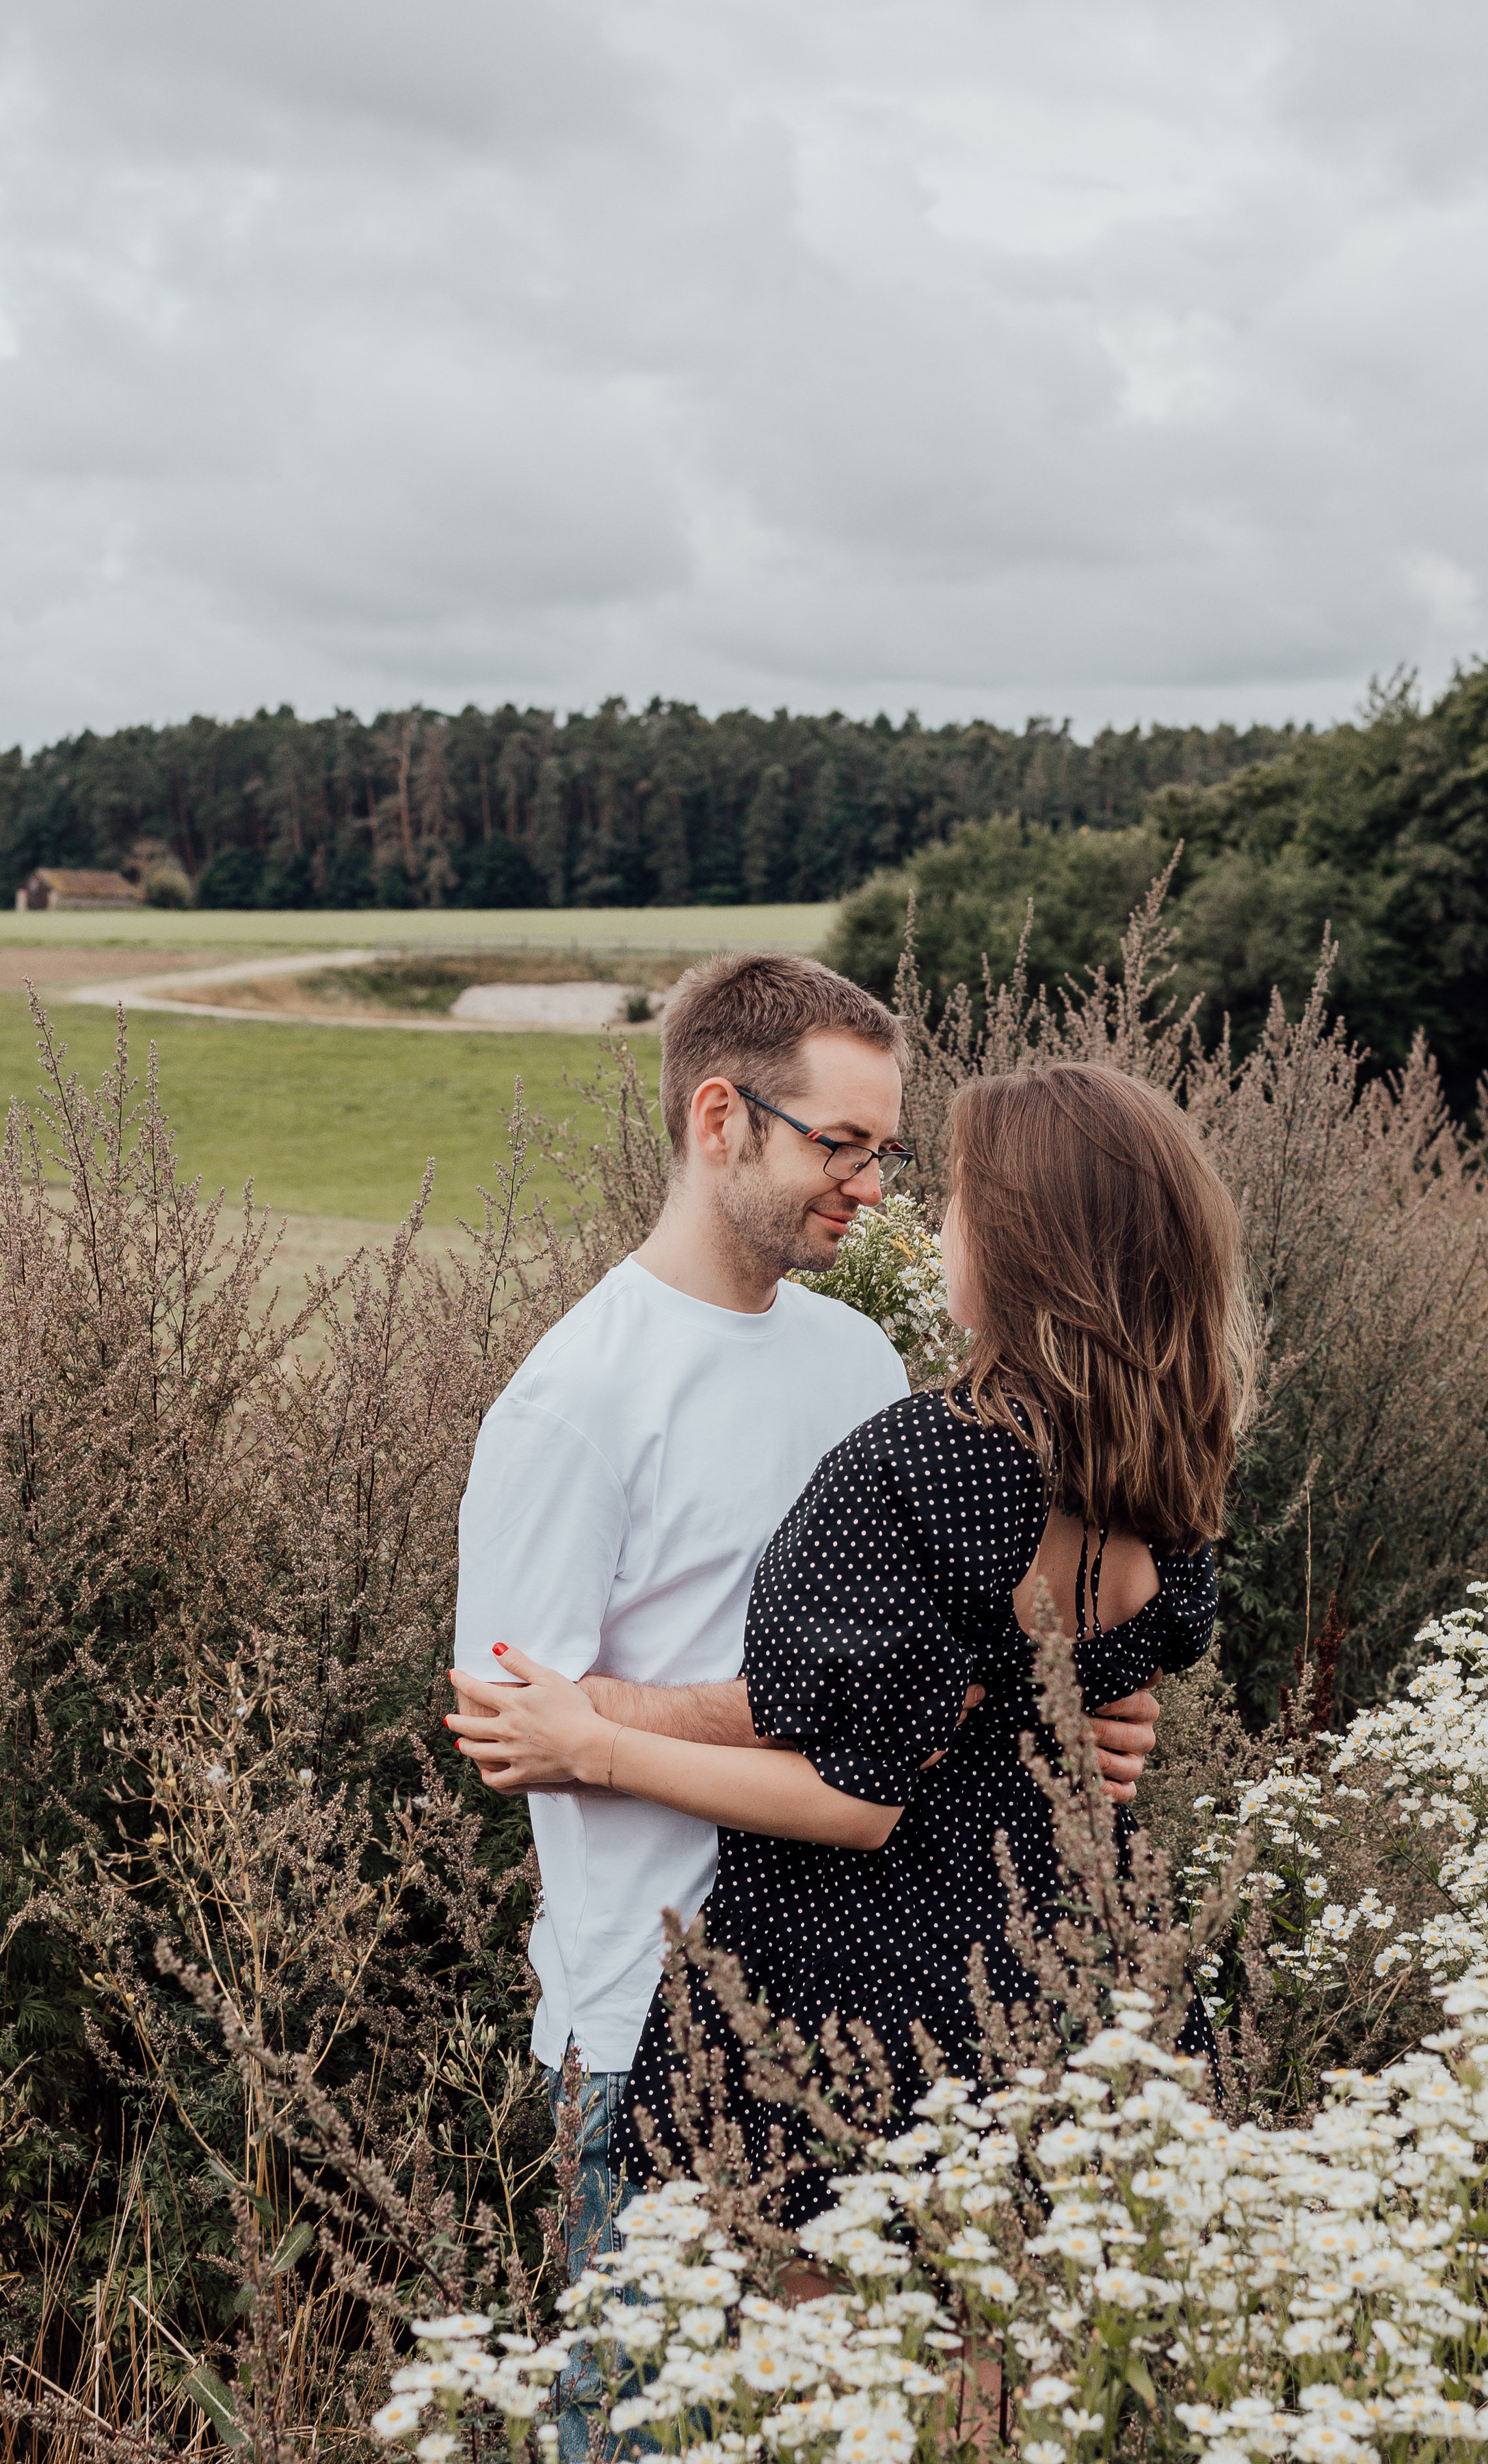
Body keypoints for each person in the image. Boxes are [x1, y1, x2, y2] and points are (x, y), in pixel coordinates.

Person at [449, 959, 1162, 2448]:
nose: (874, 1186)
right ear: (721, 1117)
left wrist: (1060, 1712)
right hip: (661, 2010)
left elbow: (939, 1651)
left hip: (889, 1985)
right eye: (840, 1144)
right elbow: (520, 1733)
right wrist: (900, 1717)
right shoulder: (576, 1399)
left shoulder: (859, 1359)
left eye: (889, 1151)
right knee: (644, 2429)